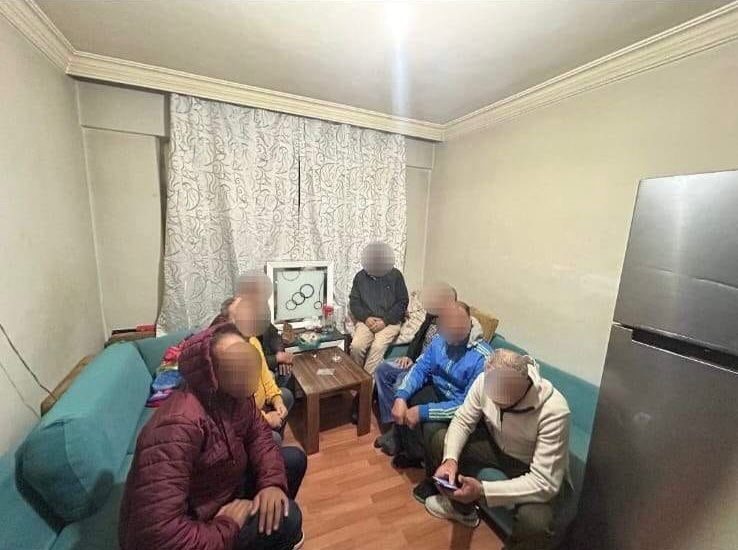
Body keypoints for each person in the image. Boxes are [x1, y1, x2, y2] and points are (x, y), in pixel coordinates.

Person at [119, 323, 307, 550]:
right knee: (290, 517)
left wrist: (272, 484)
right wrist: (227, 525)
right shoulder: (177, 424)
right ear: (210, 372)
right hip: (196, 521)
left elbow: (260, 437)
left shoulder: (236, 395)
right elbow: (158, 536)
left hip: (220, 489)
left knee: (294, 460)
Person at [426, 349, 572, 550]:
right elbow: (463, 420)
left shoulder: (554, 410)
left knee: (535, 522)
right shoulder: (484, 381)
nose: (493, 400)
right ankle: (463, 510)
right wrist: (450, 459)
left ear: (524, 384)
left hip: (532, 465)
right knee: (440, 440)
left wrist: (482, 490)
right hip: (497, 447)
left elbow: (545, 482)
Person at [390, 301, 491, 500]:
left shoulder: (483, 358)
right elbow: (420, 368)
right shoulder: (438, 340)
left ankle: (434, 481)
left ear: (469, 323)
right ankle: (414, 454)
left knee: (432, 427)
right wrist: (401, 396)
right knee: (407, 396)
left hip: (461, 408)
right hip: (438, 391)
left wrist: (423, 412)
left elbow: (466, 405)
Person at [373, 282, 458, 455]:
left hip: (429, 371)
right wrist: (409, 357)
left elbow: (442, 359)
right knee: (382, 369)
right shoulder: (431, 315)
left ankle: (397, 436)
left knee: (400, 381)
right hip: (416, 362)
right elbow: (418, 338)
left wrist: (418, 364)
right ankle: (392, 425)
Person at [229, 296, 295, 444]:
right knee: (274, 439)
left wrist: (277, 400)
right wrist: (266, 418)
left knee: (286, 393)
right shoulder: (229, 354)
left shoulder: (253, 339)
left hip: (261, 401)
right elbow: (239, 409)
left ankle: (274, 438)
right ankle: (270, 440)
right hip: (248, 416)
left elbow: (265, 375)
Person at [213, 271, 294, 388]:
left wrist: (280, 353)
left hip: (264, 365)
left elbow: (274, 334)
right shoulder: (226, 334)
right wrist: (276, 358)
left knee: (286, 372)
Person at [349, 241, 409, 375]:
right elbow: (354, 302)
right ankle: (356, 378)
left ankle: (366, 384)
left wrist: (385, 321)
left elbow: (402, 302)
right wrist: (366, 318)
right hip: (367, 321)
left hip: (389, 322)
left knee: (377, 347)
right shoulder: (360, 277)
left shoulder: (396, 275)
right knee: (356, 346)